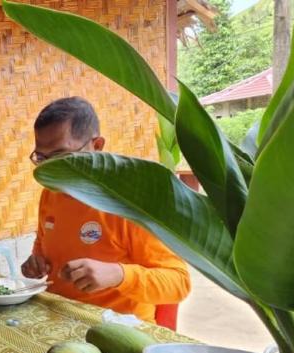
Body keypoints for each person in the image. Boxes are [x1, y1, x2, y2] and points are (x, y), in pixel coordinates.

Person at [23, 97, 190, 324]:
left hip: (117, 331)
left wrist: (119, 275)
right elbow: (43, 248)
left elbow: (178, 283)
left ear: (97, 146)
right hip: (60, 320)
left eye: (60, 156)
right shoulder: (51, 193)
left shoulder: (131, 201)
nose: (48, 169)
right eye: (41, 158)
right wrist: (36, 262)